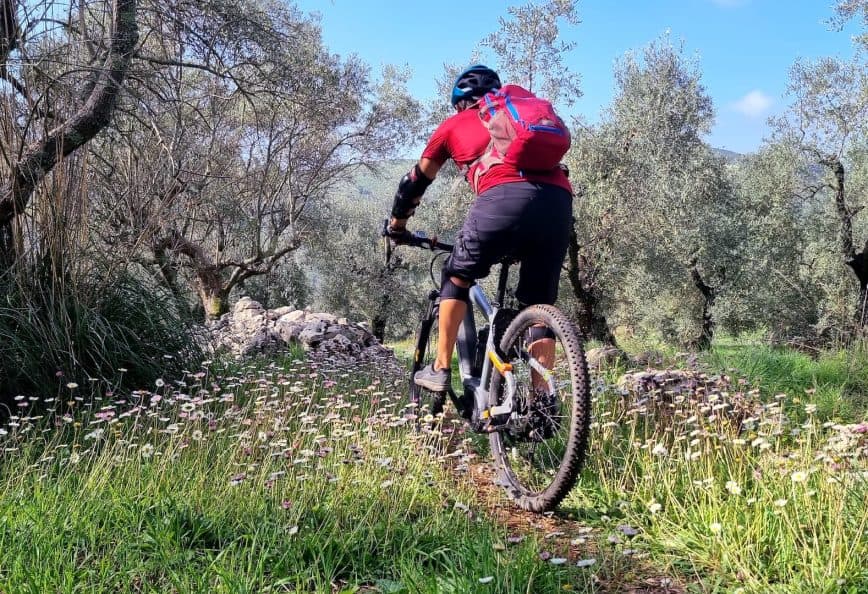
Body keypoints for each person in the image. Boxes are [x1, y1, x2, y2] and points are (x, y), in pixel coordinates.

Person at [386, 64, 573, 393]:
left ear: (461, 103)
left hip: (502, 200)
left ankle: (440, 368)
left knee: (456, 275)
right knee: (538, 304)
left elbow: (414, 182)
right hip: (557, 204)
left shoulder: (454, 124)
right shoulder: (520, 119)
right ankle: (543, 400)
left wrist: (397, 226)